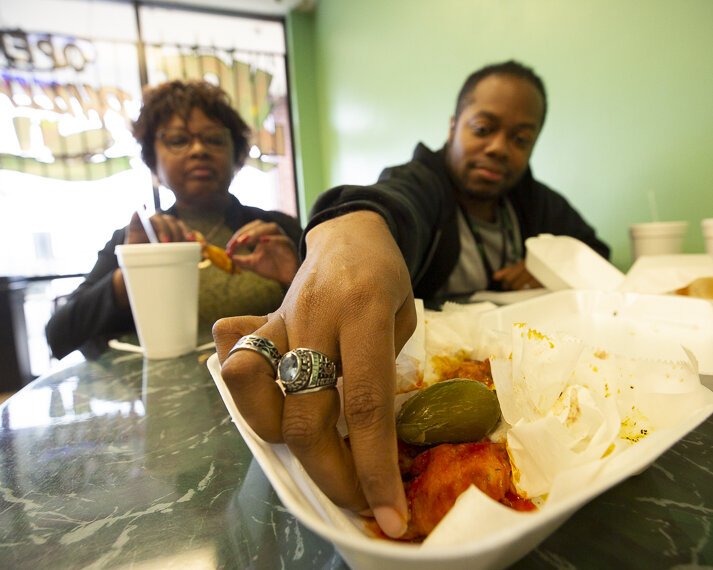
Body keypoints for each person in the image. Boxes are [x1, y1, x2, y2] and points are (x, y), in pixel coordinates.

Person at [212, 61, 610, 538]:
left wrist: (548, 266)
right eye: (484, 128)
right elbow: (390, 204)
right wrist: (351, 227)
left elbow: (594, 256)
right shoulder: (425, 182)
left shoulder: (534, 202)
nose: (499, 147)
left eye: (520, 138)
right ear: (453, 126)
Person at [46, 80, 302, 360]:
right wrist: (134, 271)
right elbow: (59, 336)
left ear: (237, 153)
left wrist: (295, 277)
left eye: (214, 139)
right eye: (178, 140)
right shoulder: (133, 241)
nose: (198, 150)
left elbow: (330, 317)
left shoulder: (279, 232)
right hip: (163, 395)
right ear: (153, 160)